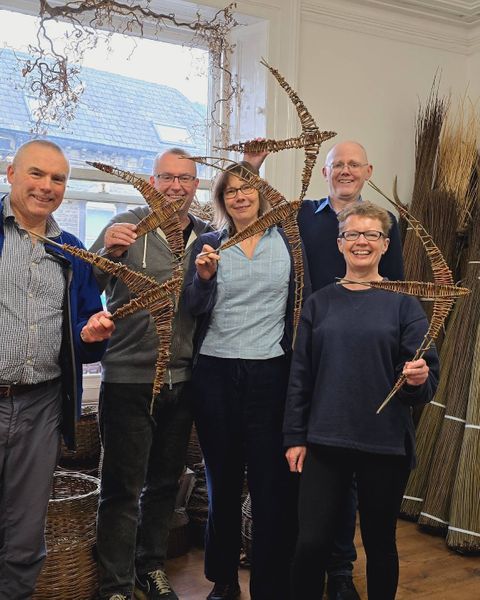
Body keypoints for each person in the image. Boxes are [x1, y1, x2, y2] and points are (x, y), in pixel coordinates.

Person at [255, 139, 404, 600]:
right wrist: (252, 166)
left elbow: (395, 285)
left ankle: (341, 570)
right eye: (337, 164)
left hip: (357, 356)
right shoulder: (302, 215)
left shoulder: (382, 224)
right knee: (318, 465)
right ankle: (310, 566)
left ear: (368, 170)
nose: (345, 170)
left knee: (349, 462)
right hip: (308, 346)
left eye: (353, 164)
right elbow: (248, 209)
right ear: (325, 173)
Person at [284, 201, 439, 600]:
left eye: (372, 235)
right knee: (311, 543)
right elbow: (301, 375)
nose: (361, 242)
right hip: (324, 440)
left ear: (386, 245)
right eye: (352, 234)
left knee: (379, 544)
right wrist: (294, 436)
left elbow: (424, 378)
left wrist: (415, 379)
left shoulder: (405, 303)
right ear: (339, 243)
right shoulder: (319, 302)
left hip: (384, 443)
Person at [183, 161, 311, 600]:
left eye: (248, 188)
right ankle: (222, 580)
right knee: (221, 481)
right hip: (215, 373)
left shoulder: (289, 242)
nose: (240, 196)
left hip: (271, 373)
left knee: (271, 487)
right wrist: (202, 277)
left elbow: (301, 305)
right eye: (231, 190)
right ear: (221, 199)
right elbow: (193, 307)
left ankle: (270, 583)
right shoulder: (208, 243)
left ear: (261, 195)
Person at [0, 139, 115, 600]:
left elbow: (85, 329)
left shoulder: (72, 251)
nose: (47, 187)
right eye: (37, 174)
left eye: (58, 179)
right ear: (11, 173)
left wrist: (90, 335)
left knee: (26, 535)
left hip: (42, 405)